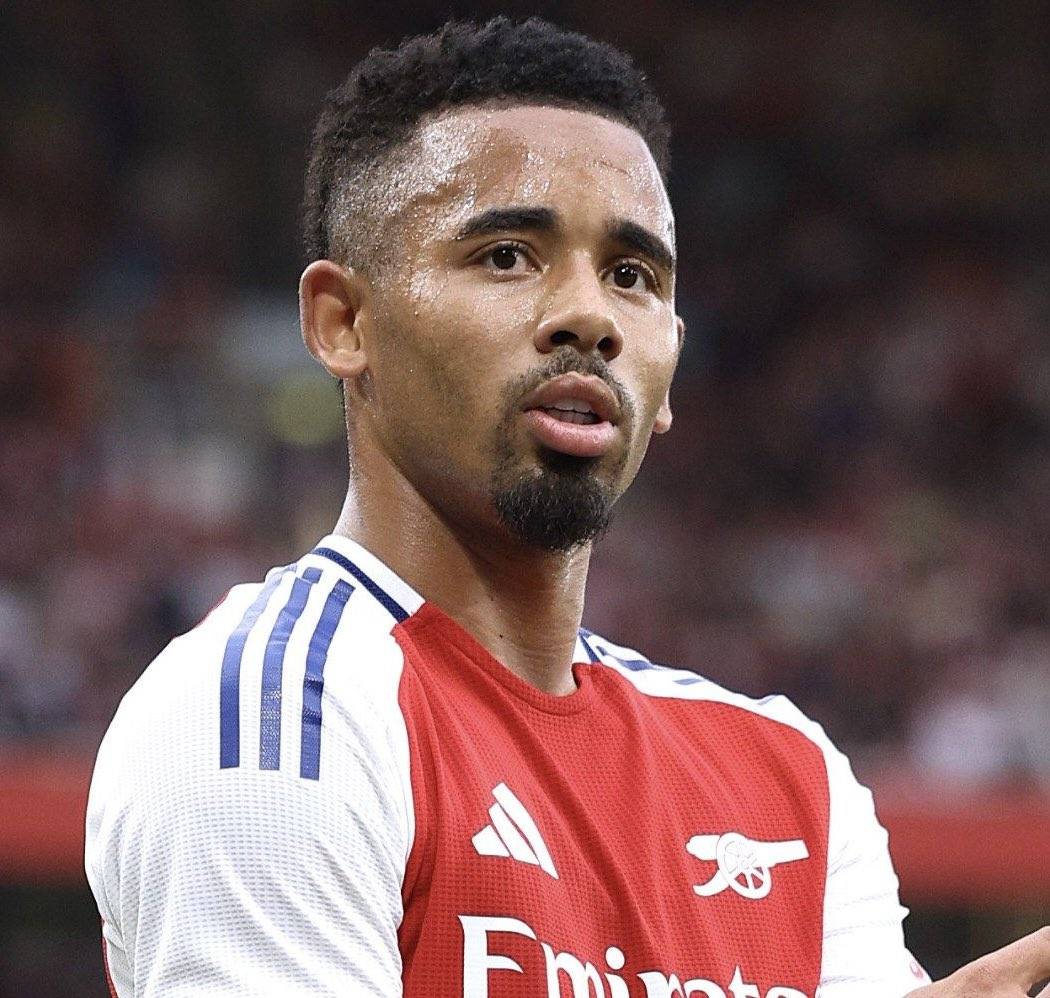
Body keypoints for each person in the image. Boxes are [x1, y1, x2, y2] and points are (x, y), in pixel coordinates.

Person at [84, 17, 1048, 998]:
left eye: (633, 276)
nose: (590, 315)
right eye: (507, 255)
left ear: (669, 367)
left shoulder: (788, 778)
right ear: (343, 322)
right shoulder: (267, 713)